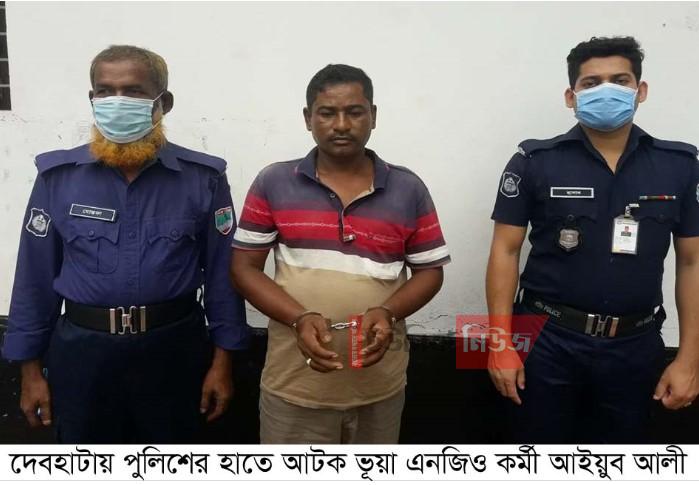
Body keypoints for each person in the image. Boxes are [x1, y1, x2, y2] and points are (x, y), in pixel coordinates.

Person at [1, 45, 249, 443]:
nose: (116, 101)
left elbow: (223, 276)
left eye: (133, 91)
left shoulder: (202, 179)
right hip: (83, 354)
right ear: (92, 99)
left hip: (173, 352)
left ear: (163, 103)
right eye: (105, 91)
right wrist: (29, 369)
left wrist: (224, 362)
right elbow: (34, 278)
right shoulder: (58, 178)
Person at [486, 36, 699, 443]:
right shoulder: (533, 161)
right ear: (571, 96)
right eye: (591, 83)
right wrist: (498, 344)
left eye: (620, 80)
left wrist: (691, 359)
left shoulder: (681, 167)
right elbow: (504, 251)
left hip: (636, 343)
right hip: (542, 336)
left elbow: (692, 263)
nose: (606, 91)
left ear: (640, 90)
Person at [231, 64, 450, 444]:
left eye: (354, 112)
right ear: (308, 119)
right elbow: (243, 268)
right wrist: (299, 318)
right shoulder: (274, 182)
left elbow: (430, 271)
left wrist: (388, 311)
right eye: (327, 113)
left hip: (379, 388)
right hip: (295, 386)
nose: (342, 125)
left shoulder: (407, 188)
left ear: (373, 116)